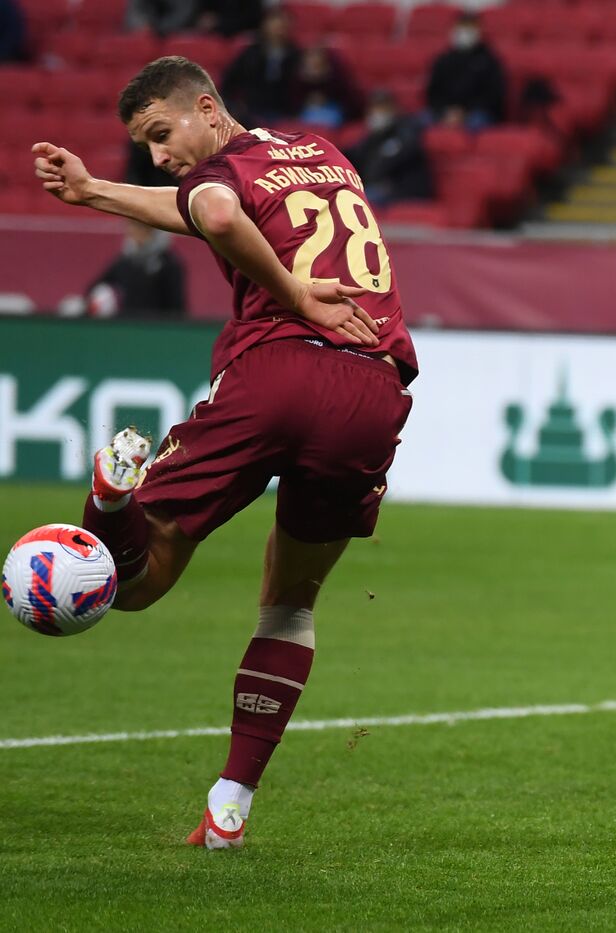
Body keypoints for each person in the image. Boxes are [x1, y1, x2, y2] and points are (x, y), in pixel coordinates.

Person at [31, 55, 417, 849]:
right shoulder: (322, 154)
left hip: (278, 370)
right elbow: (203, 202)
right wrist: (96, 192)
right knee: (291, 603)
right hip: (371, 390)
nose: (158, 156)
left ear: (207, 108)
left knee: (136, 583)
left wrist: (295, 294)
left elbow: (213, 210)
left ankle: (109, 499)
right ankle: (229, 806)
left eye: (162, 133)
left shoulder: (222, 175)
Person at [345, 89, 433, 207]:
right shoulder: (373, 136)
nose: (376, 113)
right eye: (374, 109)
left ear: (393, 109)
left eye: (381, 108)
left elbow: (394, 159)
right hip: (378, 188)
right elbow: (354, 155)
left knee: (356, 202)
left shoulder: (407, 130)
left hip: (403, 190)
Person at [85, 218, 187, 318]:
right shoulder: (125, 260)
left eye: (141, 227)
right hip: (128, 328)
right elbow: (94, 287)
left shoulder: (169, 264)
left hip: (156, 329)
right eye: (131, 225)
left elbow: (177, 309)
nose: (133, 231)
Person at [425, 11, 507, 129]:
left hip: (477, 113)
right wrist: (446, 111)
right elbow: (433, 92)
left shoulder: (489, 61)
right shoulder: (443, 60)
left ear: (479, 30)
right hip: (445, 112)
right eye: (462, 27)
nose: (465, 32)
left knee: (476, 123)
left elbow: (494, 96)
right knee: (420, 122)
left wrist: (465, 112)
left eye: (469, 27)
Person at [220, 7, 302, 125]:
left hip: (284, 111)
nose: (278, 29)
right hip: (253, 109)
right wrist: (236, 104)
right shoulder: (251, 53)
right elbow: (229, 80)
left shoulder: (295, 54)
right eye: (274, 24)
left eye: (282, 25)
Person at [294, 44, 362, 129]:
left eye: (317, 57)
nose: (314, 61)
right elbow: (293, 100)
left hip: (332, 108)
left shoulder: (336, 76)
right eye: (310, 57)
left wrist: (324, 78)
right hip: (307, 109)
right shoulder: (298, 77)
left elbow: (347, 98)